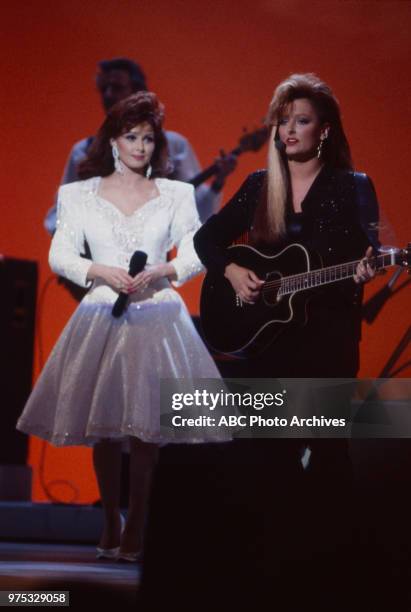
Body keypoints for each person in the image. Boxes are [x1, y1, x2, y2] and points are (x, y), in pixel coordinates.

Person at [191, 73, 379, 606]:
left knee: (326, 456)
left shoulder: (352, 185)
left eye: (301, 120)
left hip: (326, 336)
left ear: (324, 130)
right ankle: (260, 571)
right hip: (265, 341)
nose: (289, 130)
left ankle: (333, 577)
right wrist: (230, 273)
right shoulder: (257, 185)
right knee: (263, 458)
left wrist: (366, 270)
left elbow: (367, 251)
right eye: (283, 120)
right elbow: (206, 239)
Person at [17, 91, 227, 562]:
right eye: (131, 136)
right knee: (106, 427)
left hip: (156, 315)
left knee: (148, 430)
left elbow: (195, 251)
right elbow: (61, 254)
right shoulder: (77, 194)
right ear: (113, 140)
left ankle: (139, 523)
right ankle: (112, 517)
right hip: (101, 316)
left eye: (148, 138)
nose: (139, 146)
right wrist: (100, 271)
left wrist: (163, 271)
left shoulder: (177, 194)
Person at [44, 57, 235, 231]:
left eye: (117, 87)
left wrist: (218, 182)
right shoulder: (84, 151)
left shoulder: (173, 146)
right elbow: (60, 212)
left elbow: (197, 211)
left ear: (137, 91)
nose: (109, 95)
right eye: (104, 89)